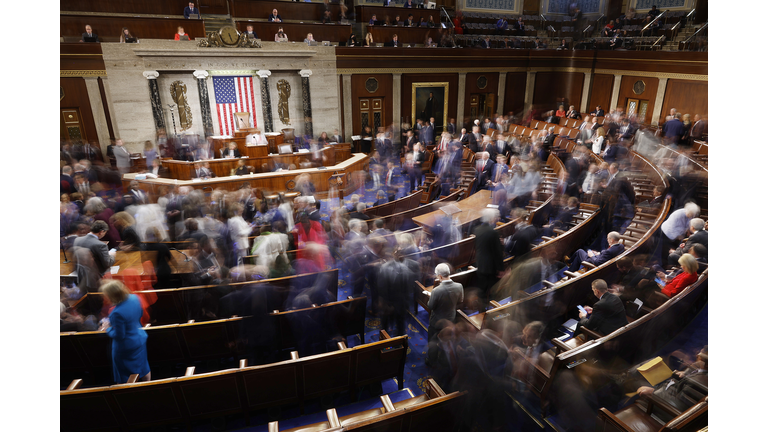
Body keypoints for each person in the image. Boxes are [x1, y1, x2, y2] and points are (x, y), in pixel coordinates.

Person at [99, 280, 151, 383]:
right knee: (143, 366)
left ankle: (128, 393)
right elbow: (139, 314)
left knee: (124, 373)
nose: (105, 298)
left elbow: (119, 336)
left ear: (113, 296)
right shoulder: (135, 298)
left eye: (106, 295)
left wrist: (107, 329)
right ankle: (148, 385)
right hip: (139, 338)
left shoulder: (116, 313)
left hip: (126, 347)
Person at [426, 263, 464, 365]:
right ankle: (444, 360)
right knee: (447, 341)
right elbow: (460, 301)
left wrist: (431, 297)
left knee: (433, 342)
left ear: (440, 276)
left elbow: (430, 306)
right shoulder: (459, 286)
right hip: (451, 319)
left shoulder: (436, 291)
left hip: (436, 322)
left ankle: (431, 361)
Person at [473, 209, 505, 306]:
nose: (498, 218)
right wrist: (501, 269)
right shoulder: (493, 232)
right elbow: (497, 253)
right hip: (491, 267)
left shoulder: (477, 229)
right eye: (496, 216)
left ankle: (481, 311)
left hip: (480, 264)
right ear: (491, 218)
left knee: (481, 291)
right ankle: (491, 310)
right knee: (493, 292)